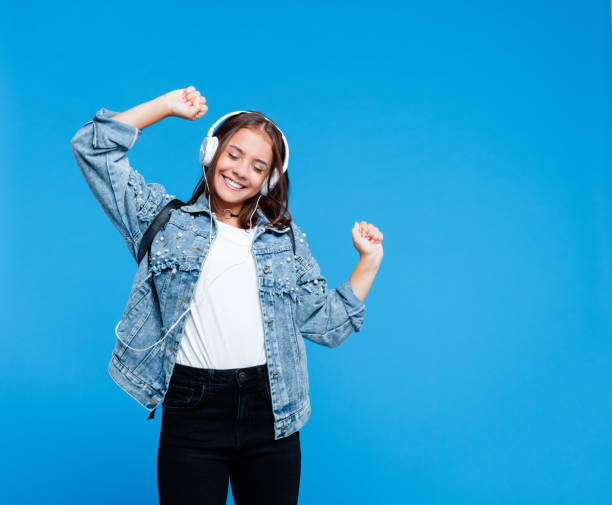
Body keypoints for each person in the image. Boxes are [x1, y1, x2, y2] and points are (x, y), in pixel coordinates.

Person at [70, 85, 384, 505]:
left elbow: (328, 325)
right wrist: (165, 107)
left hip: (271, 410)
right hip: (192, 407)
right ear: (211, 152)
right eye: (233, 154)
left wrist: (368, 261)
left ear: (269, 180)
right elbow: (94, 148)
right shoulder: (164, 221)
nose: (240, 170)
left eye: (258, 166)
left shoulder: (284, 241)